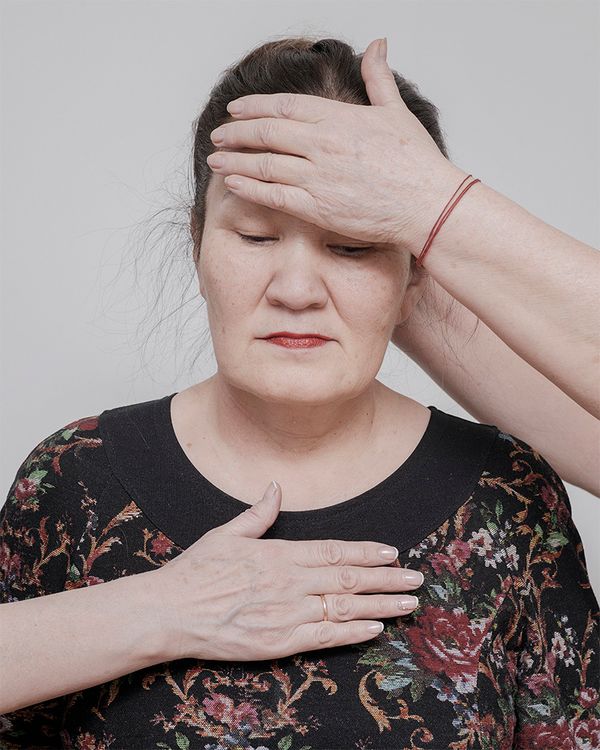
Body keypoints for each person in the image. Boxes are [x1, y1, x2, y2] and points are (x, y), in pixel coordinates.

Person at [0, 36, 598, 749]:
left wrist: (427, 205)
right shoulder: (74, 479)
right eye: (255, 236)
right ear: (197, 245)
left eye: (351, 246)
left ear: (416, 271)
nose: (295, 290)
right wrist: (158, 611)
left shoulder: (509, 495)